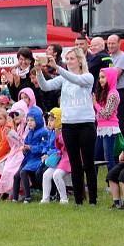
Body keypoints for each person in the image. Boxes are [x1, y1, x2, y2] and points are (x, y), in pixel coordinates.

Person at [36, 47, 97, 205]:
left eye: (72, 59)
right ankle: (78, 200)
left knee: (88, 163)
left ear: (79, 60)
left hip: (86, 123)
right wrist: (38, 71)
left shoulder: (88, 77)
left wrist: (57, 68)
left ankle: (93, 200)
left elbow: (75, 80)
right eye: (67, 59)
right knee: (75, 163)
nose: (69, 62)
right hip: (69, 125)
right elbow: (45, 86)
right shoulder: (63, 78)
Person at [11, 106, 49, 203]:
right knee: (16, 175)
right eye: (28, 120)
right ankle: (14, 198)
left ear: (38, 120)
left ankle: (27, 197)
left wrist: (31, 148)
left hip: (38, 159)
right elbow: (26, 144)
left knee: (23, 172)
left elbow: (44, 147)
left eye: (32, 120)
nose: (29, 122)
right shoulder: (30, 132)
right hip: (29, 159)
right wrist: (24, 149)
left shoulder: (43, 132)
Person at [0, 100, 29, 198]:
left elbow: (23, 142)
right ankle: (10, 191)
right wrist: (9, 135)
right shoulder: (18, 127)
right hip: (16, 152)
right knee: (3, 168)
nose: (15, 117)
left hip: (24, 153)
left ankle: (19, 192)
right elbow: (13, 145)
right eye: (12, 115)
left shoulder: (27, 126)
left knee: (11, 170)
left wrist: (11, 134)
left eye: (17, 114)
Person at [93, 66, 121, 172]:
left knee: (109, 157)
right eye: (100, 77)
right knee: (96, 156)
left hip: (110, 129)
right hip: (101, 129)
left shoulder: (113, 94)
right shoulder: (104, 92)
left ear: (110, 77)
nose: (100, 80)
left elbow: (107, 114)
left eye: (103, 77)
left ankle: (112, 183)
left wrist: (95, 104)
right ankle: (92, 184)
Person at [41, 108, 70, 204]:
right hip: (58, 159)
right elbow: (55, 147)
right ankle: (45, 199)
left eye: (52, 120)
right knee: (46, 175)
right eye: (48, 120)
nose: (49, 122)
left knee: (56, 175)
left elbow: (64, 147)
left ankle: (64, 199)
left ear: (58, 120)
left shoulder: (65, 131)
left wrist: (58, 136)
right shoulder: (53, 132)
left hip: (66, 159)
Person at [107, 34, 124, 141]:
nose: (110, 46)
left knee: (122, 122)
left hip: (121, 93)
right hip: (111, 93)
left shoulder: (123, 57)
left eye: (113, 43)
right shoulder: (109, 57)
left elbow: (114, 76)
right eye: (108, 43)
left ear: (119, 43)